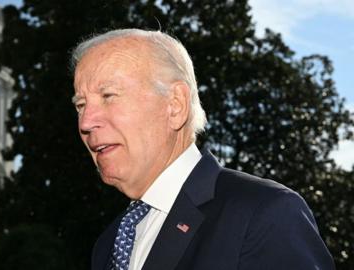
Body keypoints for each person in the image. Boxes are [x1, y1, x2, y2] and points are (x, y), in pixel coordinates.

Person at [71, 29, 335, 270]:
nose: (85, 122)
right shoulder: (108, 244)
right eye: (81, 105)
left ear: (175, 105)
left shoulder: (264, 213)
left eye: (109, 96)